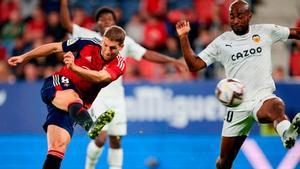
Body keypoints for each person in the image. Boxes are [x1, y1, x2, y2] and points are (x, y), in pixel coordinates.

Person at [60, 1, 187, 169]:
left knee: (116, 140)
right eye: (102, 19)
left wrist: (172, 60)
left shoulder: (123, 42)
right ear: (96, 22)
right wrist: (63, 3)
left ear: (115, 22)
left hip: (117, 98)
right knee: (100, 137)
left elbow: (146, 54)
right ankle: (89, 167)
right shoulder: (88, 36)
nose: (106, 22)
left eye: (109, 19)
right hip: (95, 96)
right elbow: (66, 24)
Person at [175, 0, 300, 168]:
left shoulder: (265, 31)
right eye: (232, 17)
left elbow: (295, 32)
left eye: (240, 16)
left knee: (276, 106)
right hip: (236, 105)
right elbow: (194, 65)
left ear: (249, 16)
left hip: (261, 97)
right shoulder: (222, 42)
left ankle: (286, 133)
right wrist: (183, 37)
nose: (235, 20)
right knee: (224, 162)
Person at [7, 25, 127, 169]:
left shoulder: (119, 64)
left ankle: (88, 125)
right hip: (57, 84)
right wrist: (24, 57)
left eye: (112, 48)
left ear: (121, 47)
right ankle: (90, 127)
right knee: (72, 96)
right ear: (102, 40)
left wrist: (74, 67)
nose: (107, 51)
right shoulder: (87, 43)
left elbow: (100, 78)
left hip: (75, 109)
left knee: (58, 148)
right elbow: (54, 48)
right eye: (105, 45)